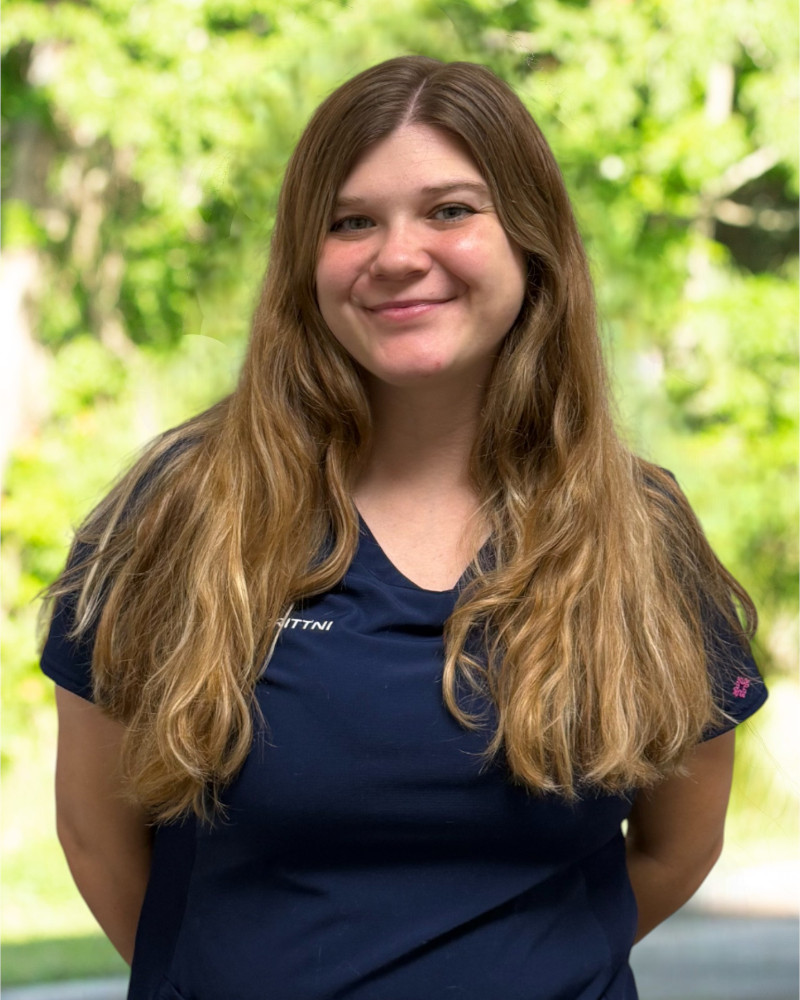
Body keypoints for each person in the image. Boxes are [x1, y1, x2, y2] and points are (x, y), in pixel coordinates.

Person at [41, 56, 766, 1000]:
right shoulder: (180, 510)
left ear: (531, 241)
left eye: (450, 210)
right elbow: (98, 835)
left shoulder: (638, 530)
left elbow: (677, 846)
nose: (397, 255)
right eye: (351, 222)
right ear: (306, 261)